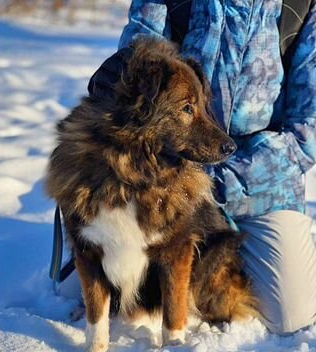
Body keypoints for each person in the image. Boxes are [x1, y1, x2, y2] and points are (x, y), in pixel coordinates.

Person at [66, 0, 316, 334]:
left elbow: (308, 131)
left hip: (264, 185)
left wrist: (221, 176)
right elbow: (143, 52)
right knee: (95, 287)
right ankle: (102, 237)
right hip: (166, 174)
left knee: (291, 316)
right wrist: (122, 74)